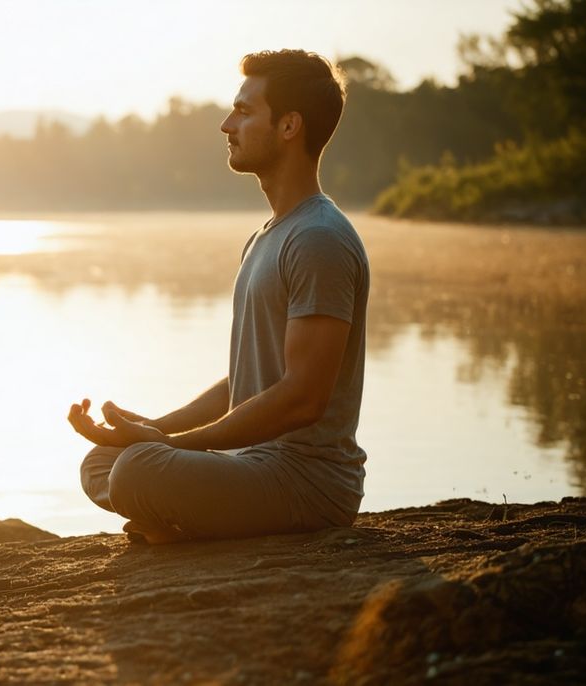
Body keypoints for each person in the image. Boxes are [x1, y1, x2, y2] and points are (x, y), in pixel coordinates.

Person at [67, 49, 369, 544]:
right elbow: (247, 381)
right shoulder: (266, 236)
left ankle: (178, 517)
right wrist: (150, 428)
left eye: (245, 111)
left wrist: (167, 445)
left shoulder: (319, 238)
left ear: (289, 126)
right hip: (250, 465)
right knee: (105, 459)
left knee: (137, 470)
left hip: (307, 483)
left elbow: (304, 398)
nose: (227, 125)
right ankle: (179, 518)